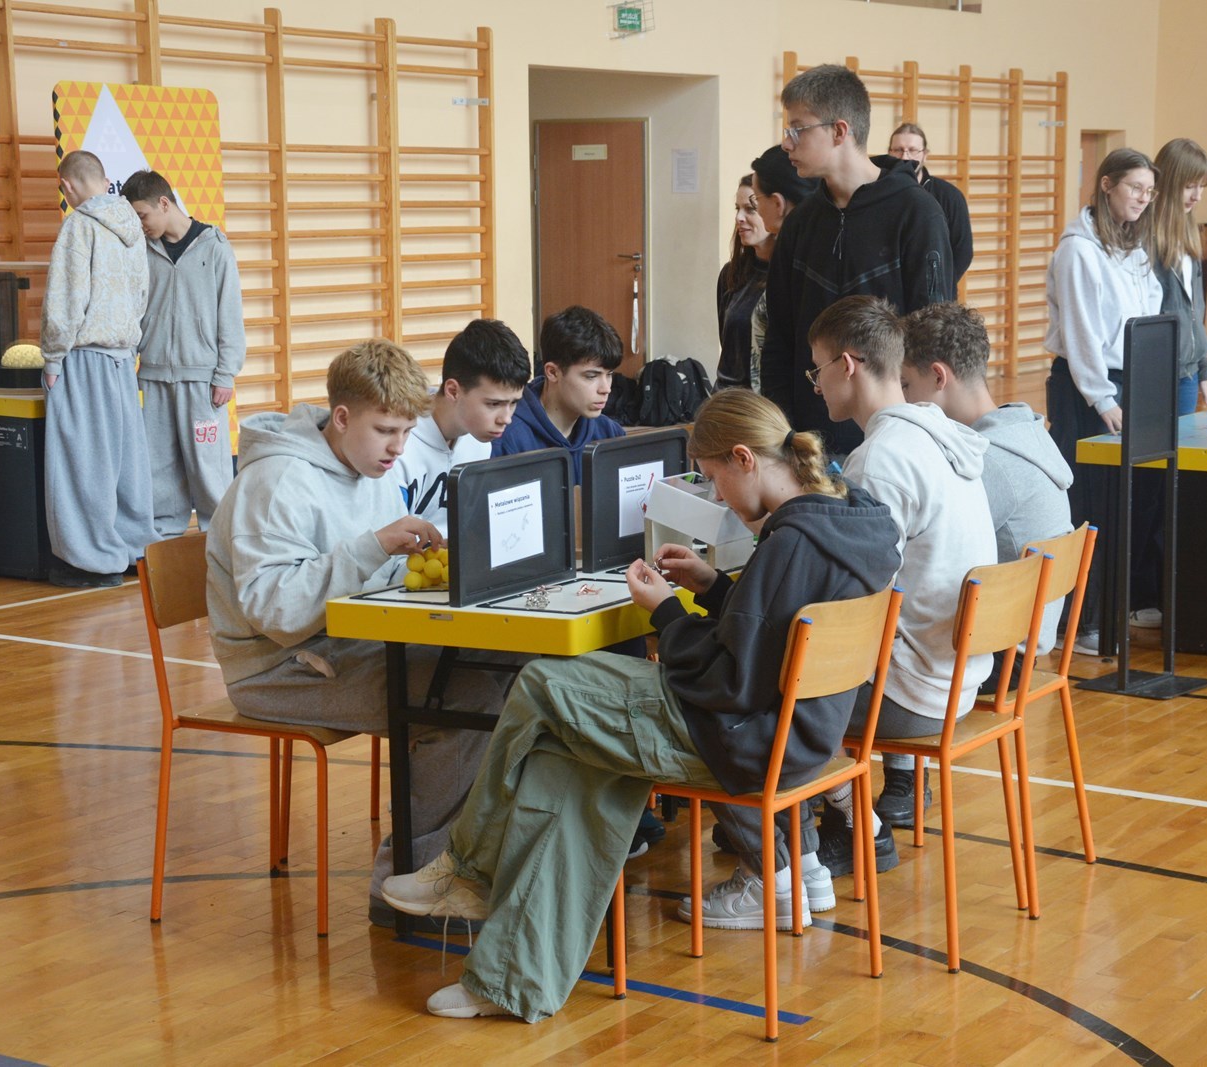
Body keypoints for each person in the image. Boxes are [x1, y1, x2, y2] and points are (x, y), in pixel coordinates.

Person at [380, 388, 901, 1021]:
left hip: (737, 735)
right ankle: (509, 983)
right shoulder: (847, 520)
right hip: (795, 734)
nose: (717, 499)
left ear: (743, 458)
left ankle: (467, 870)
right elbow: (772, 634)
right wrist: (715, 586)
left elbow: (730, 680)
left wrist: (668, 613)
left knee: (543, 684)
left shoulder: (790, 543)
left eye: (713, 480)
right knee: (565, 754)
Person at [205, 339, 505, 929]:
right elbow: (275, 611)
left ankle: (473, 860)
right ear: (341, 418)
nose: (398, 449)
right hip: (276, 668)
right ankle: (409, 879)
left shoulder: (367, 466)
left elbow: (369, 578)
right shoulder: (277, 482)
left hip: (342, 644)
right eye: (386, 431)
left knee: (496, 669)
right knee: (463, 700)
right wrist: (375, 548)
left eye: (405, 432)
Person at [808, 295, 996, 841]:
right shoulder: (936, 435)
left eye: (817, 370)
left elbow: (857, 603)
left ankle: (846, 834)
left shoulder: (880, 458)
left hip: (913, 695)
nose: (816, 386)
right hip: (958, 679)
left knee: (764, 687)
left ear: (847, 364)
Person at [759, 64, 954, 459]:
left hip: (892, 439)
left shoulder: (917, 213)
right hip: (810, 440)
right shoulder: (800, 223)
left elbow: (932, 339)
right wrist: (784, 434)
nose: (786, 143)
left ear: (839, 131)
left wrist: (915, 435)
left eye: (797, 129)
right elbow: (779, 337)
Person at [897, 300, 1073, 717]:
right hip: (1020, 643)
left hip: (998, 657)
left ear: (938, 376)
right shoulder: (1025, 430)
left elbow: (920, 550)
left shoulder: (989, 463)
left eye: (905, 384)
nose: (901, 398)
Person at [1043, 147, 1162, 651]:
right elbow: (1082, 333)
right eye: (1135, 187)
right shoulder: (1077, 250)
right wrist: (1102, 397)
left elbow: (1149, 314)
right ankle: (1077, 624)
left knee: (1119, 505)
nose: (1143, 198)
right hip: (1085, 390)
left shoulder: (1133, 249)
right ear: (1107, 185)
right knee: (1086, 506)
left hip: (1125, 382)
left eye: (1149, 192)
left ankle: (1109, 614)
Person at [40, 149, 152, 588]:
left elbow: (66, 299)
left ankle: (93, 560)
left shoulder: (79, 226)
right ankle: (134, 550)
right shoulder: (132, 227)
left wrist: (53, 357)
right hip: (123, 357)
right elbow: (142, 294)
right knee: (125, 461)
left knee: (82, 461)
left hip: (85, 357)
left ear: (67, 186)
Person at [120, 169, 246, 539]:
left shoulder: (215, 247)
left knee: (209, 469)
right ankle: (165, 542)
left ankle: (221, 540)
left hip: (202, 381)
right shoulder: (142, 251)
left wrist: (225, 374)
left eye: (142, 215)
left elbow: (230, 316)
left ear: (164, 203)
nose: (140, 225)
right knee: (158, 468)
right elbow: (134, 311)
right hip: (153, 377)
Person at [398, 318, 530, 534]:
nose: (506, 418)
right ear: (453, 391)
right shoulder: (397, 445)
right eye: (493, 404)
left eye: (514, 403)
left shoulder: (481, 442)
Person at [492, 304, 625, 483]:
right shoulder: (508, 439)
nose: (606, 388)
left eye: (609, 375)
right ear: (553, 372)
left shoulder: (610, 433)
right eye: (591, 376)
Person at [1150, 138, 1207, 420]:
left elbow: (1194, 313)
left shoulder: (1190, 236)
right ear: (1169, 183)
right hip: (1154, 374)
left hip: (1188, 374)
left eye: (1202, 187)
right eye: (1190, 186)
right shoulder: (1144, 240)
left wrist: (1204, 370)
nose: (1197, 196)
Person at [746, 146, 820, 397]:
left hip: (793, 404)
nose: (755, 210)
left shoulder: (801, 259)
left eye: (755, 201)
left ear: (778, 203)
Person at [888, 122, 973, 286]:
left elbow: (963, 252)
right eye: (898, 150)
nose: (904, 157)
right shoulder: (877, 193)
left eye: (912, 150)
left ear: (925, 154)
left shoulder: (950, 196)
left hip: (936, 295)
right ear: (889, 153)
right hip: (888, 295)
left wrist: (939, 286)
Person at [714, 175, 770, 390]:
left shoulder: (789, 278)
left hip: (765, 401)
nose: (739, 217)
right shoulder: (731, 273)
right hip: (728, 395)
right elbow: (727, 346)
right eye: (737, 208)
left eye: (750, 209)